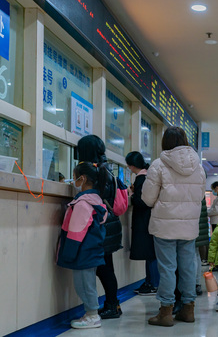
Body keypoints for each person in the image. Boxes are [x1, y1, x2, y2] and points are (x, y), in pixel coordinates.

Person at [142, 126, 206, 327]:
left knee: (167, 268)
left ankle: (166, 312)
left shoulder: (159, 164)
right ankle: (188, 309)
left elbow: (147, 197)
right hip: (189, 226)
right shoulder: (199, 166)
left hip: (164, 225)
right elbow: (201, 196)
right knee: (188, 266)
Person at [57, 162, 109, 329]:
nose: (73, 182)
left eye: (74, 178)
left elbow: (76, 231)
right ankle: (91, 313)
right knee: (87, 283)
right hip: (90, 250)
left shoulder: (82, 204)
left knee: (84, 285)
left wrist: (68, 254)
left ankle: (93, 315)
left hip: (82, 251)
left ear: (83, 178)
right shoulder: (95, 200)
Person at [76, 135, 122, 319]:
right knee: (106, 269)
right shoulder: (106, 169)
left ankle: (112, 305)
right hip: (108, 225)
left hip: (99, 226)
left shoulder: (93, 171)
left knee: (104, 270)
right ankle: (113, 304)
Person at [126, 151, 158, 296]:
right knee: (150, 253)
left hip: (144, 220)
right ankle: (150, 281)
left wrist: (131, 195)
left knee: (149, 254)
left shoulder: (141, 179)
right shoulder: (148, 176)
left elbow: (141, 201)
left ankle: (153, 283)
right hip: (150, 219)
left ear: (132, 166)